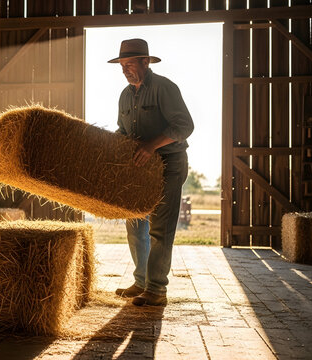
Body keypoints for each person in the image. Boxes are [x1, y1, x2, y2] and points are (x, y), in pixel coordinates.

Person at [109, 38, 194, 306]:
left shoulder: (164, 88)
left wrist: (151, 146)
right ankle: (141, 281)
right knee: (135, 225)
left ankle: (157, 290)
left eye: (130, 64)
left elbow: (185, 126)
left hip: (169, 163)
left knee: (160, 228)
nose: (125, 70)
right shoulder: (124, 95)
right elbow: (123, 132)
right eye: (122, 65)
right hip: (139, 167)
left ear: (146, 62)